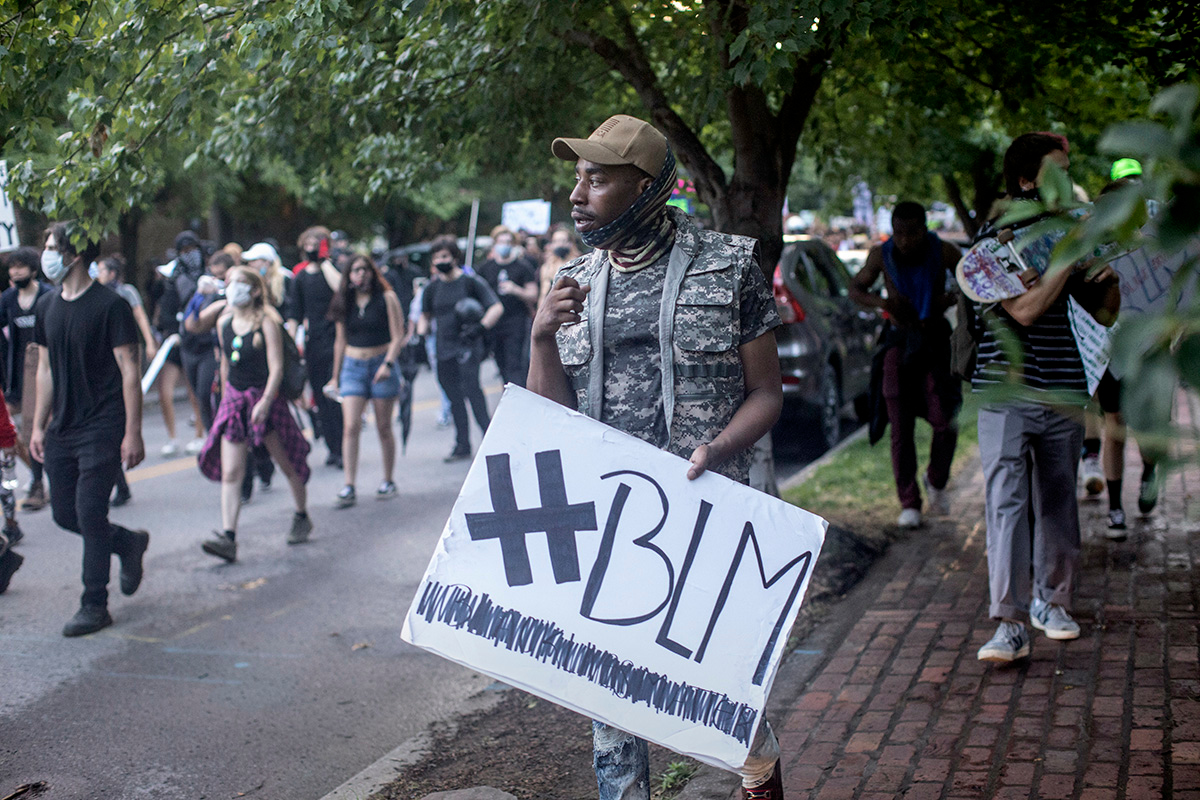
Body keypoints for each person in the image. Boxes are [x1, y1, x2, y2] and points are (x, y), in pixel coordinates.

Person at [530, 114, 785, 800]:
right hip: (608, 534)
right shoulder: (570, 280)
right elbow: (545, 423)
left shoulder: (729, 266)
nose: (577, 195)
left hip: (706, 524)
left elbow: (767, 394)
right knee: (612, 726)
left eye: (598, 179)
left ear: (647, 187)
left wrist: (719, 446)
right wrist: (540, 338)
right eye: (577, 178)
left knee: (737, 714)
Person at [972, 133, 1121, 663]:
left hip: (1063, 387)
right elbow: (1026, 311)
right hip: (1006, 390)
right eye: (1054, 173)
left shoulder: (1076, 233)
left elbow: (1105, 313)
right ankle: (1008, 624)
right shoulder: (996, 240)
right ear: (1026, 181)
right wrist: (1069, 258)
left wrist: (1105, 277)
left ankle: (1052, 603)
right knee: (1007, 502)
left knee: (1058, 501)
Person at [31, 222, 150, 636]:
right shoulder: (46, 307)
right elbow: (44, 369)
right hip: (62, 426)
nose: (45, 255)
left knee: (89, 511)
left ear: (74, 254)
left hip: (103, 424)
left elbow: (130, 371)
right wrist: (38, 425)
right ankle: (128, 543)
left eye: (50, 247)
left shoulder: (110, 306)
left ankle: (94, 603)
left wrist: (132, 432)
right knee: (65, 514)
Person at [849, 202, 962, 528]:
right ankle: (909, 501)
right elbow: (856, 289)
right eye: (899, 233)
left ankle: (936, 480)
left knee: (946, 418)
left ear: (924, 229)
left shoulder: (944, 251)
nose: (905, 240)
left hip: (935, 339)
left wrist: (950, 296)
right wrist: (883, 302)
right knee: (900, 427)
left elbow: (970, 277)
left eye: (912, 233)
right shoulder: (880, 255)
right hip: (898, 340)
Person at [197, 267, 312, 562]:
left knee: (287, 464)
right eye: (229, 283)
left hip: (264, 402)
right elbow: (224, 365)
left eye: (240, 283)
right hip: (236, 402)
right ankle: (229, 537)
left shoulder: (267, 322)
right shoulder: (224, 323)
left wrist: (266, 401)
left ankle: (301, 515)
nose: (233, 288)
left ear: (255, 290)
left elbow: (276, 367)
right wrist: (223, 399)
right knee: (232, 471)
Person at [326, 254, 406, 506]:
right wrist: (335, 376)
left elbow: (398, 335)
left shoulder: (387, 297)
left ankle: (388, 479)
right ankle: (349, 484)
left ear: (373, 272)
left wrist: (388, 364)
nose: (362, 274)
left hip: (381, 362)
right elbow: (340, 341)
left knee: (384, 426)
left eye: (366, 270)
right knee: (350, 426)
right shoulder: (344, 302)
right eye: (356, 270)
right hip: (352, 365)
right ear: (348, 276)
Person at [418, 237, 502, 462]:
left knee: (473, 393)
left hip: (467, 346)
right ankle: (462, 444)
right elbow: (424, 318)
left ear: (454, 257)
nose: (440, 261)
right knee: (453, 398)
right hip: (442, 349)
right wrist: (418, 336)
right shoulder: (431, 288)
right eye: (436, 258)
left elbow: (495, 307)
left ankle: (491, 442)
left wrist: (480, 328)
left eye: (444, 256)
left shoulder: (470, 282)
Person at [95, 254, 159, 506]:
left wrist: (150, 342)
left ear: (112, 273)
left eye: (101, 270)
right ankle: (120, 485)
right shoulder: (94, 295)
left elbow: (141, 316)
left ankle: (120, 483)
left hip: (124, 354)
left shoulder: (126, 292)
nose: (97, 273)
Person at [287, 226, 344, 468]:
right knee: (320, 398)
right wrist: (288, 346)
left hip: (336, 340)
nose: (311, 247)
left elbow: (340, 288)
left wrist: (324, 261)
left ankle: (343, 447)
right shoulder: (299, 278)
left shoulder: (332, 271)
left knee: (335, 396)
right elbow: (294, 316)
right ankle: (333, 448)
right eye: (308, 244)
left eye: (316, 243)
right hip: (314, 342)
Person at [0, 247, 52, 510]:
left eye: (21, 266)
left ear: (33, 270)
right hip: (16, 376)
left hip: (45, 372)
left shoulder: (47, 297)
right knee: (11, 430)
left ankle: (39, 482)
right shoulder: (7, 299)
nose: (15, 271)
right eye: (12, 267)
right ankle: (38, 475)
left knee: (39, 426)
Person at [475, 225, 539, 387]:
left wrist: (516, 290)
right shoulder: (485, 268)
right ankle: (508, 393)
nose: (504, 245)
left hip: (516, 321)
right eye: (501, 241)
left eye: (508, 241)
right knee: (501, 363)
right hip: (495, 324)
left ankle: (518, 398)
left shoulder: (522, 267)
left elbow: (533, 294)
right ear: (494, 244)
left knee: (515, 364)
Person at [539, 225, 581, 300]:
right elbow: (543, 294)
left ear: (570, 243)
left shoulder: (579, 265)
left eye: (563, 241)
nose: (559, 244)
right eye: (556, 241)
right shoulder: (547, 267)